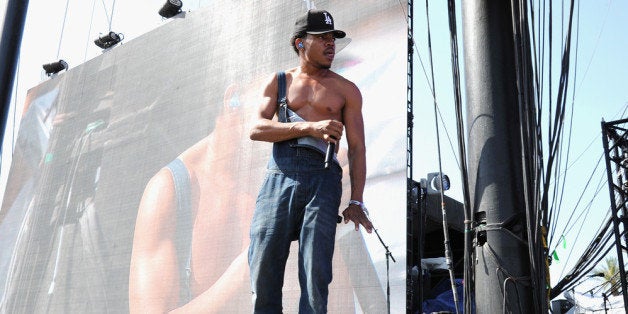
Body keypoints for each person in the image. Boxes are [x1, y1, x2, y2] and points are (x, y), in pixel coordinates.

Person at [248, 9, 374, 314]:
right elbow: (256, 129)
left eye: (333, 38)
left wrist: (356, 201)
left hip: (323, 179)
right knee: (263, 267)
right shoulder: (278, 82)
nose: (331, 44)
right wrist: (308, 127)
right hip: (279, 177)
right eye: (322, 38)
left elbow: (357, 149)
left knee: (315, 272)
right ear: (300, 42)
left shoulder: (346, 90)